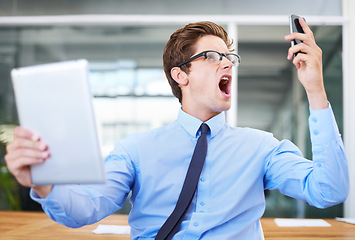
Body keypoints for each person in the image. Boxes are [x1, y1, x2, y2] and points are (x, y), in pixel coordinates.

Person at [5, 20, 349, 239]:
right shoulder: (135, 150)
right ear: (180, 75)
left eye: (230, 57)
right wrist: (45, 182)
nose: (228, 62)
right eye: (213, 56)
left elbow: (328, 191)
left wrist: (316, 90)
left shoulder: (262, 148)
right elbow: (86, 209)